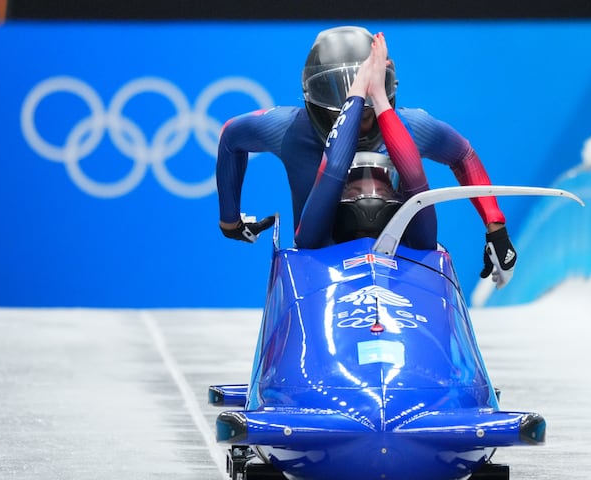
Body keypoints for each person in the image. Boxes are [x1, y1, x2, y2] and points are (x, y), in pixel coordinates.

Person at [216, 25, 517, 288]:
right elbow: (231, 136)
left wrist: (496, 226)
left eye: (367, 113)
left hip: (402, 263)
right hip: (318, 259)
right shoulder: (289, 129)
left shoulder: (410, 126)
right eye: (349, 114)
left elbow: (462, 154)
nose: (360, 123)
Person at [294, 32, 435, 250]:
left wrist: (376, 94)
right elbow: (335, 166)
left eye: (381, 191)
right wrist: (362, 87)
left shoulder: (420, 243)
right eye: (355, 191)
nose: (369, 198)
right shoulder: (313, 242)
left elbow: (415, 178)